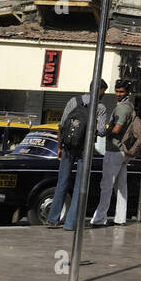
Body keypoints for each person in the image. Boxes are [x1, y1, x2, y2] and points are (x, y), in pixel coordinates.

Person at [48, 82, 108, 230]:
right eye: (104, 91)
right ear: (99, 90)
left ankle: (52, 219)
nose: (104, 94)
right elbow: (101, 131)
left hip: (68, 147)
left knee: (62, 182)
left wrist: (60, 147)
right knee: (79, 186)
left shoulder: (73, 101)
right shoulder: (100, 107)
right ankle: (70, 224)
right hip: (84, 150)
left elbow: (61, 125)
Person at [90, 80, 135, 227]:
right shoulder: (129, 106)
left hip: (115, 150)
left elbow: (117, 129)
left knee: (106, 185)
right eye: (116, 91)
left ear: (127, 92)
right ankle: (120, 218)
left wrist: (104, 132)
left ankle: (99, 219)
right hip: (123, 152)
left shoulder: (122, 108)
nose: (118, 94)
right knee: (122, 187)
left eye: (121, 92)